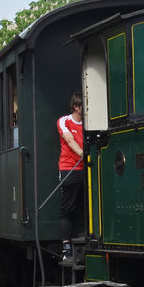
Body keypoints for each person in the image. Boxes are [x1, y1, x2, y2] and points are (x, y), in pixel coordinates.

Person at [58, 92, 86, 262]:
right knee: (67, 209)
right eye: (84, 106)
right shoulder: (64, 121)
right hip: (70, 168)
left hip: (88, 167)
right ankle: (66, 247)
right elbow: (69, 139)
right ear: (76, 107)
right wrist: (83, 153)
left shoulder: (90, 122)